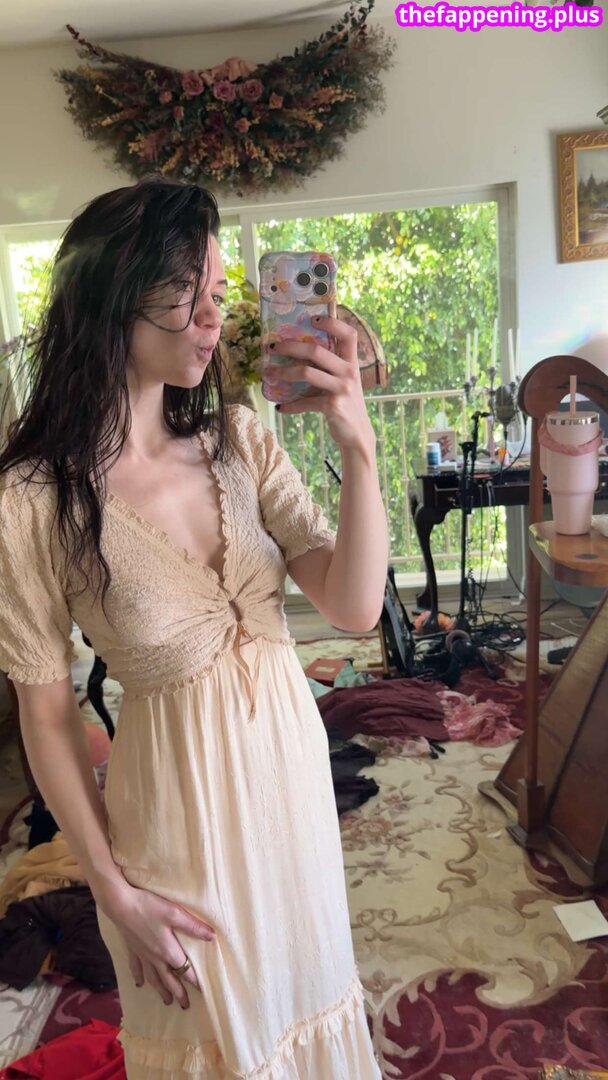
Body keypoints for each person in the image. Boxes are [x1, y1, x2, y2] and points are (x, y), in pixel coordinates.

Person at [0, 177, 389, 1079]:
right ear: (113, 295)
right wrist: (111, 891)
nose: (215, 318)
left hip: (291, 789)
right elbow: (46, 715)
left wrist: (358, 446)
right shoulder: (31, 500)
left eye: (218, 291)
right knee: (219, 1044)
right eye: (188, 292)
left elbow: (354, 606)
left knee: (308, 1008)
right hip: (177, 820)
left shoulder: (240, 439)